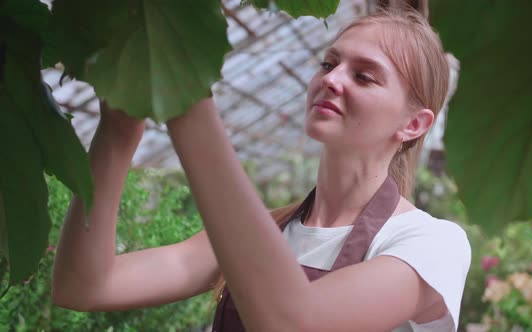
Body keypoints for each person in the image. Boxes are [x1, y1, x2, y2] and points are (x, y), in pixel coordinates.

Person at [52, 5, 471, 332]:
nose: (332, 79)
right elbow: (83, 285)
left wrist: (181, 89)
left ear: (413, 124)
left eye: (364, 77)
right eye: (329, 64)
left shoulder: (430, 244)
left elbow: (291, 323)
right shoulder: (266, 232)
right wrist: (117, 133)